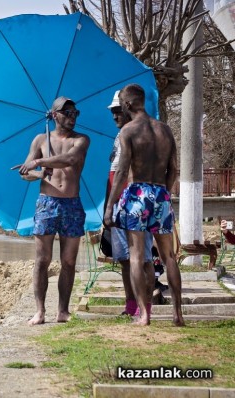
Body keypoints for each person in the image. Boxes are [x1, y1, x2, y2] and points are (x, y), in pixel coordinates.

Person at [104, 83, 184, 327]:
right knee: (168, 256)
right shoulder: (165, 130)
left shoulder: (128, 131)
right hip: (161, 193)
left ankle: (144, 315)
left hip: (137, 192)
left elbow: (121, 173)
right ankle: (178, 315)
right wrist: (164, 193)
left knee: (137, 256)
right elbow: (174, 170)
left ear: (128, 104)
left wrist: (109, 207)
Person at [18, 96, 90, 325]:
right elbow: (25, 172)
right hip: (47, 202)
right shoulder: (40, 139)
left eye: (75, 113)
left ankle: (63, 311)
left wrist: (39, 162)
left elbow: (70, 159)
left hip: (72, 203)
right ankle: (39, 311)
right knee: (43, 259)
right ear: (54, 115)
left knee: (69, 261)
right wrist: (37, 172)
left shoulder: (81, 140)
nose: (72, 117)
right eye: (67, 113)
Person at [103, 91, 155, 316]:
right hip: (117, 204)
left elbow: (128, 172)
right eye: (112, 112)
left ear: (127, 107)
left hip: (134, 202)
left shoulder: (139, 134)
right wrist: (108, 206)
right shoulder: (119, 136)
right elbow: (114, 174)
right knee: (125, 258)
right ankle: (131, 304)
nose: (115, 116)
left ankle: (146, 307)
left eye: (118, 111)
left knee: (143, 258)